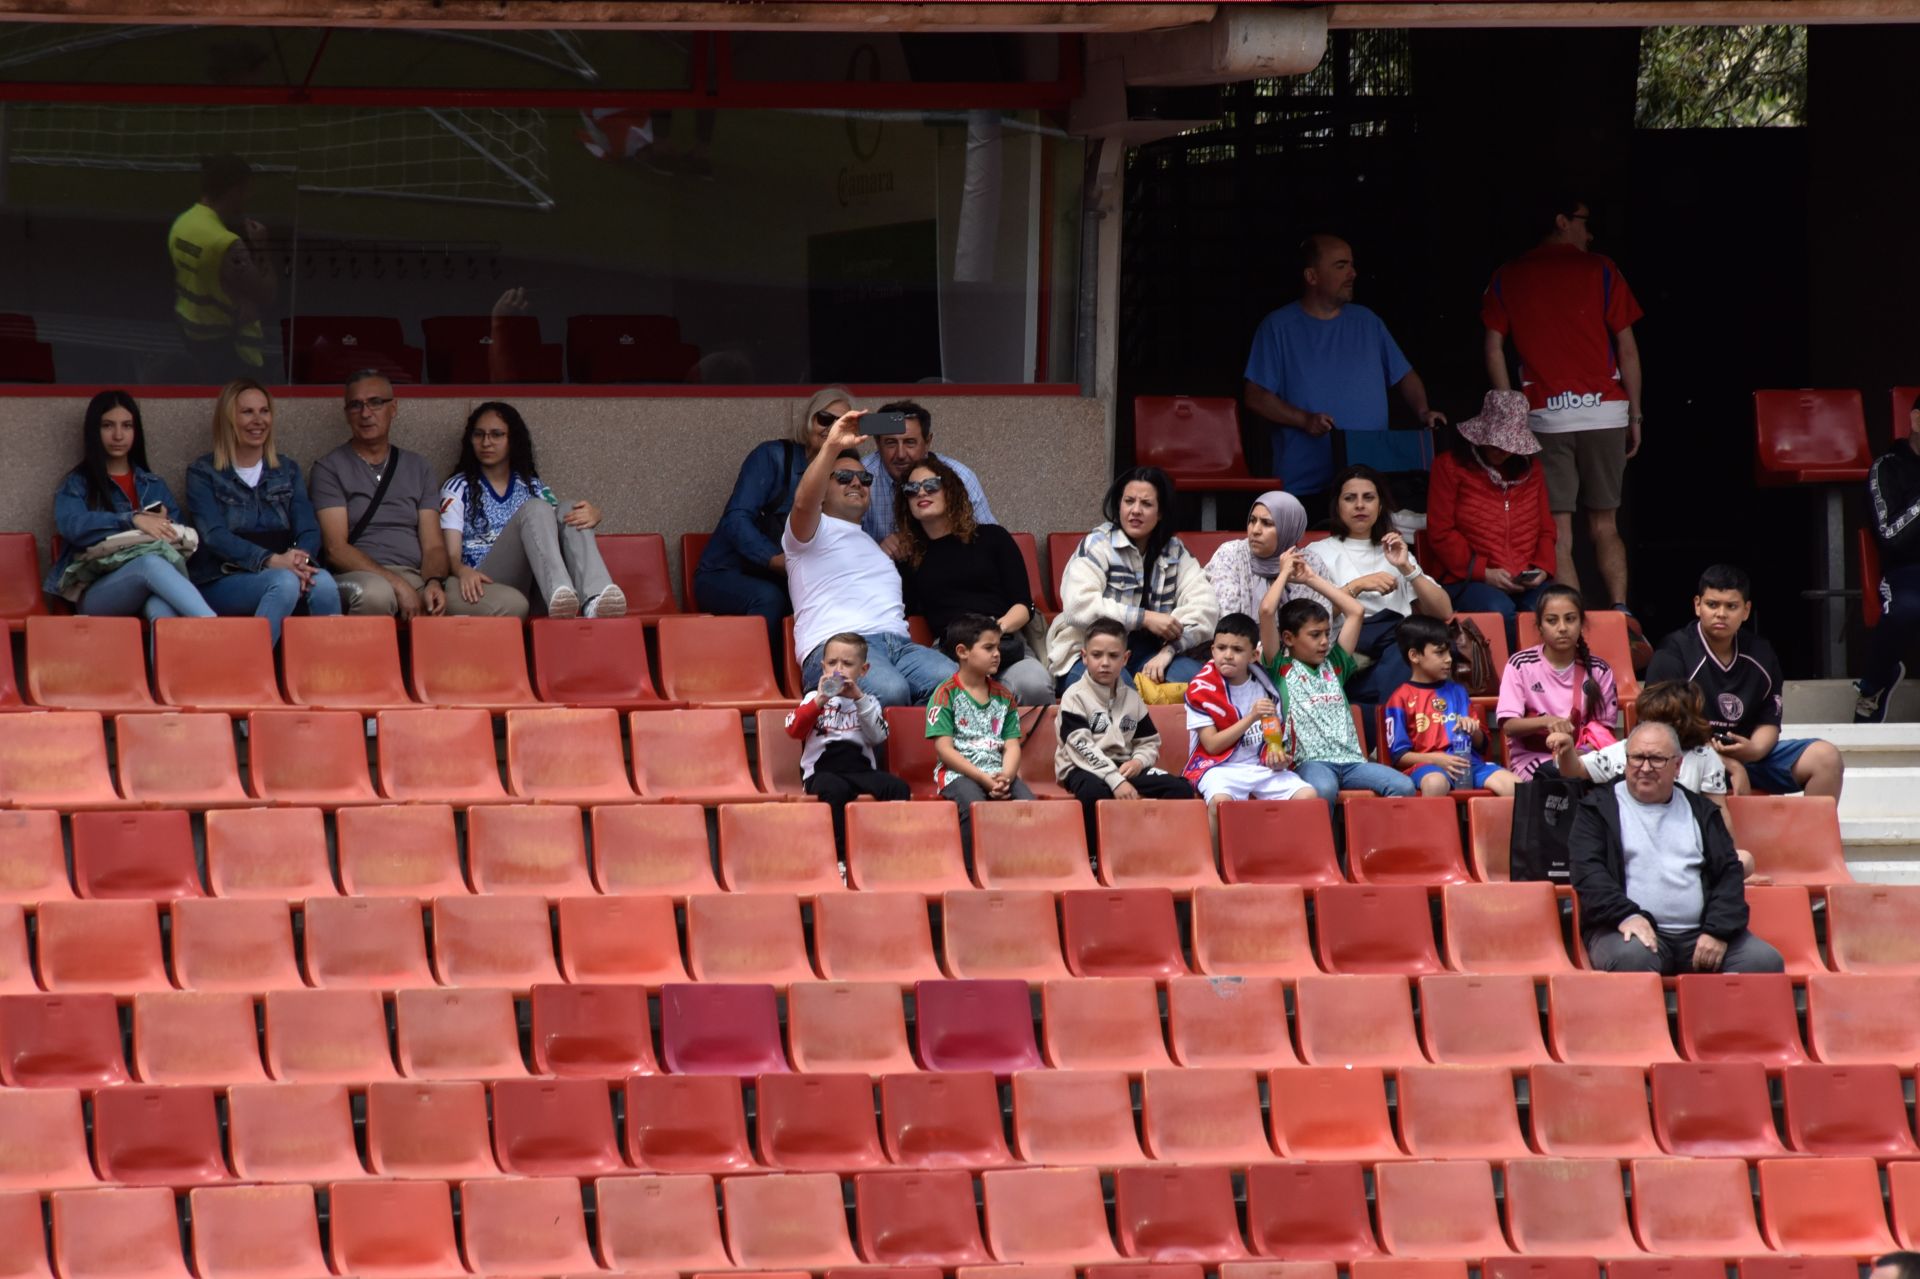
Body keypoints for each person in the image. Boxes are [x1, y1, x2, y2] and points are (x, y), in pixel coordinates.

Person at [1482, 191, 1644, 610]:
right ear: (1561, 221)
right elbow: (1627, 348)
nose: (1590, 234)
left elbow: (1494, 347)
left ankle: (1572, 625)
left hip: (1545, 415)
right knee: (1606, 523)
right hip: (1606, 410)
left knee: (1558, 530)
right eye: (1585, 222)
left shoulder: (1508, 276)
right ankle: (1621, 612)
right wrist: (1636, 413)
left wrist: (1511, 414)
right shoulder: (1602, 270)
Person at [1242, 233, 1446, 506]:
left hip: (1369, 479)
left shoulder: (1368, 322)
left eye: (1351, 264)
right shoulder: (1278, 327)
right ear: (1311, 276)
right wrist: (1304, 420)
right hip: (1305, 484)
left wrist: (1423, 411)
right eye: (1340, 265)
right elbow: (1255, 395)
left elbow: (1404, 375)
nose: (1352, 273)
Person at [1570, 721, 1785, 976]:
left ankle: (1716, 1018)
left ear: (1678, 765)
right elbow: (1588, 872)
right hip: (1623, 927)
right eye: (1637, 757)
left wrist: (1717, 931)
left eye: (1657, 759)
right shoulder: (1596, 809)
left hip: (1700, 932)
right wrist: (1626, 916)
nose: (1645, 768)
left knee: (1763, 961)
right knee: (1633, 958)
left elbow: (1728, 873)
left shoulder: (1702, 811)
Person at [786, 412, 956, 707]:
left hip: (898, 648)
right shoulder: (808, 533)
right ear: (822, 492)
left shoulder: (871, 543)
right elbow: (803, 502)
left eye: (864, 478)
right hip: (837, 648)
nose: (856, 482)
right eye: (842, 477)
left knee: (955, 683)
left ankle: (918, 750)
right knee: (891, 691)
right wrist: (832, 447)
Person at [1647, 564, 1845, 798]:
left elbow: (1769, 719)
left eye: (1731, 606)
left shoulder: (1761, 652)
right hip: (1688, 757)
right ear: (1697, 605)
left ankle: (1814, 835)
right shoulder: (1674, 651)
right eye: (1712, 605)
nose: (1721, 613)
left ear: (1746, 610)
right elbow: (1662, 728)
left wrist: (1753, 751)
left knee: (1826, 758)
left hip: (1749, 756)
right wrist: (1725, 763)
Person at [185, 380, 342, 642]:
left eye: (264, 411)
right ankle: (248, 673)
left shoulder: (287, 470)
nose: (258, 420)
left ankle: (327, 677)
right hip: (223, 577)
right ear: (228, 420)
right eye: (247, 412)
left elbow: (309, 527)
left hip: (287, 569)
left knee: (324, 584)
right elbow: (213, 535)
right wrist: (270, 560)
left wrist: (299, 562)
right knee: (282, 583)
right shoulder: (203, 473)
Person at [437, 402, 624, 620]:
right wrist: (462, 571)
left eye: (496, 435)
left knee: (568, 508)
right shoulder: (457, 488)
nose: (486, 442)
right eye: (479, 435)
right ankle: (558, 592)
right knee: (535, 508)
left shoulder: (533, 486)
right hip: (484, 585)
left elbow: (562, 530)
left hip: (535, 585)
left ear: (512, 440)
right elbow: (450, 554)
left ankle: (593, 599)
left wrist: (595, 515)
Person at [45, 391, 215, 623]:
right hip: (96, 591)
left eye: (126, 426)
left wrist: (167, 527)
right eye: (108, 426)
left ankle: (178, 659)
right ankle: (218, 632)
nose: (118, 435)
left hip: (151, 585)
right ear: (94, 430)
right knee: (149, 564)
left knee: (162, 607)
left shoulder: (153, 484)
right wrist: (132, 519)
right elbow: (73, 526)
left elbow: (182, 544)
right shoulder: (78, 483)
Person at [696, 386, 845, 650]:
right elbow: (737, 520)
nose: (831, 429)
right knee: (771, 599)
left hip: (791, 578)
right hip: (726, 573)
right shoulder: (772, 456)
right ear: (809, 420)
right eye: (825, 419)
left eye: (840, 423)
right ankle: (754, 678)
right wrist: (775, 560)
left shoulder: (845, 473)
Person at [895, 455, 1051, 705]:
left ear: (950, 491)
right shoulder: (910, 558)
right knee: (937, 693)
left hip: (1003, 639)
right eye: (912, 489)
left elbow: (1023, 605)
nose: (921, 492)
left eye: (931, 485)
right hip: (950, 651)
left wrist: (993, 632)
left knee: (1033, 684)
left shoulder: (992, 538)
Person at [1258, 560, 1419, 802]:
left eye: (1326, 633)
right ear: (1288, 638)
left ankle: (1373, 841)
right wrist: (1284, 574)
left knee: (1404, 786)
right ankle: (1323, 841)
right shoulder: (1280, 667)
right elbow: (1267, 612)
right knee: (1323, 789)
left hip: (1353, 762)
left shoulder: (1335, 665)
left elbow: (1355, 611)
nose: (1324, 641)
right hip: (1311, 763)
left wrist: (1311, 578)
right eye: (1315, 635)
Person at [1047, 466, 1219, 690]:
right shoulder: (1098, 544)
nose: (1135, 510)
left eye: (1146, 504)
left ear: (1160, 513)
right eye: (1129, 501)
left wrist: (1169, 651)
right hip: (1090, 652)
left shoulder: (1175, 552)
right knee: (1119, 690)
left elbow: (1205, 607)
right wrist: (1144, 618)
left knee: (1196, 680)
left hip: (1148, 654)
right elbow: (1078, 606)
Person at [310, 372, 449, 619]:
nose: (365, 413)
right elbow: (336, 549)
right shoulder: (329, 468)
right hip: (358, 576)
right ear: (346, 413)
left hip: (416, 575)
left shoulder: (418, 466)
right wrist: (397, 584)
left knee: (503, 604)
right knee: (376, 594)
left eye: (375, 402)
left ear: (393, 408)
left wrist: (434, 583)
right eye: (356, 405)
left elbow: (434, 545)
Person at [1312, 465, 1453, 704]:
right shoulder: (1318, 553)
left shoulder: (1396, 551)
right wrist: (1356, 587)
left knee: (1408, 652)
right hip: (1350, 655)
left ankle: (1394, 729)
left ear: (1380, 506)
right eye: (1350, 498)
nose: (1360, 505)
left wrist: (1406, 568)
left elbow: (1444, 611)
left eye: (1368, 497)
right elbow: (1310, 620)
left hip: (1398, 655)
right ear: (1337, 506)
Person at [1426, 389, 1556, 644]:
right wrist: (1484, 572)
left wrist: (1542, 568)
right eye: (1495, 441)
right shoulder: (1448, 466)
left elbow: (1546, 529)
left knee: (1553, 609)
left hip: (1524, 577)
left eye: (1509, 444)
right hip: (1465, 578)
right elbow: (1440, 532)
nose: (1501, 449)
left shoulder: (1533, 471)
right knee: (1500, 611)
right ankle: (1506, 680)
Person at [1057, 617, 1198, 846]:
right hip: (1081, 767)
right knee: (1094, 791)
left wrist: (1139, 762)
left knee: (1180, 788)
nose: (1105, 663)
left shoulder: (1133, 699)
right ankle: (1095, 857)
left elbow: (1148, 742)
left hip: (1124, 765)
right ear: (1084, 657)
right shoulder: (1074, 697)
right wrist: (1115, 780)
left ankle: (1160, 849)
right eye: (1096, 655)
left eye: (1113, 656)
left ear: (1125, 659)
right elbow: (1080, 747)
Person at [783, 632, 909, 844]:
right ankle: (839, 855)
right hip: (822, 772)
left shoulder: (868, 702)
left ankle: (893, 846)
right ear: (823, 668)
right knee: (835, 790)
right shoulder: (812, 699)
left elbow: (879, 736)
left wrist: (859, 699)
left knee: (898, 788)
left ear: (863, 670)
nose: (838, 670)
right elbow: (794, 730)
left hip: (860, 771)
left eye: (847, 663)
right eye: (832, 663)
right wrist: (821, 700)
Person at [1182, 612, 1316, 804]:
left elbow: (1273, 739)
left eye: (1237, 650)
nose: (1227, 655)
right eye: (1221, 648)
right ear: (1213, 651)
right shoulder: (1201, 689)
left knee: (1307, 796)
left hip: (1260, 769)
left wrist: (1276, 755)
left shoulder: (1264, 686)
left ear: (1254, 655)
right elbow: (1211, 745)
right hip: (1219, 769)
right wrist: (1251, 717)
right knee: (1220, 802)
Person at [927, 614, 1034, 853]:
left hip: (998, 772)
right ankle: (971, 873)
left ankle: (1021, 870)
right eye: (988, 647)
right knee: (974, 805)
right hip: (958, 774)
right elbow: (944, 750)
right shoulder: (946, 693)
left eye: (997, 646)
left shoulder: (1004, 696)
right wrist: (983, 779)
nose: (997, 653)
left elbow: (1012, 745)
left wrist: (1006, 776)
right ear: (963, 652)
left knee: (1029, 808)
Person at [1385, 614, 1518, 797]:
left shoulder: (1458, 692)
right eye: (1440, 653)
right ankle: (1433, 827)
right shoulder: (1399, 698)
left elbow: (1482, 743)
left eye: (1449, 652)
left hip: (1468, 763)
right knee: (1435, 783)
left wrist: (1474, 730)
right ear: (1414, 655)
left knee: (1514, 785)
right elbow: (1399, 756)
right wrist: (1437, 759)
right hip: (1428, 767)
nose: (1448, 659)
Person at [1496, 584, 1619, 781]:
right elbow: (1509, 726)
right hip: (1534, 757)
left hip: (1584, 754)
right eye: (1552, 621)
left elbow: (1604, 730)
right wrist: (1548, 721)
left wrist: (1577, 755)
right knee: (1557, 775)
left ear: (1581, 623)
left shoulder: (1599, 669)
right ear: (1540, 626)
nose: (1562, 628)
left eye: (1570, 619)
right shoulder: (1520, 665)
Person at [168, 154, 272, 381]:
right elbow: (265, 293)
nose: (249, 197)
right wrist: (262, 247)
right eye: (247, 190)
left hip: (189, 329)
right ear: (234, 191)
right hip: (222, 343)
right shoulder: (227, 244)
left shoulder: (182, 222)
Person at [1558, 679, 1745, 805]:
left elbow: (1717, 813)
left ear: (1684, 723)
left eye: (1661, 722)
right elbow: (1574, 769)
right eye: (1647, 720)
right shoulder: (1625, 750)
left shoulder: (1704, 757)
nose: (1652, 728)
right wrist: (1566, 749)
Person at [862, 400, 996, 552]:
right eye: (891, 443)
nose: (900, 454)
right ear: (878, 445)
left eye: (910, 443)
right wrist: (876, 551)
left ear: (927, 442)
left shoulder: (960, 477)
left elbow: (990, 542)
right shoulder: (861, 478)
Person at [1857, 408, 1920, 722]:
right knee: (1904, 610)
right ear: (1916, 420)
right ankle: (1874, 686)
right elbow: (1890, 535)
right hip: (1907, 572)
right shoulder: (1887, 468)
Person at [1202, 489, 1333, 626]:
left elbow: (1320, 629)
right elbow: (1227, 624)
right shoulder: (1231, 555)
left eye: (1267, 523)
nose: (1255, 530)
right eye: (1252, 521)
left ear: (1289, 528)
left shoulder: (1310, 563)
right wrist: (1283, 576)